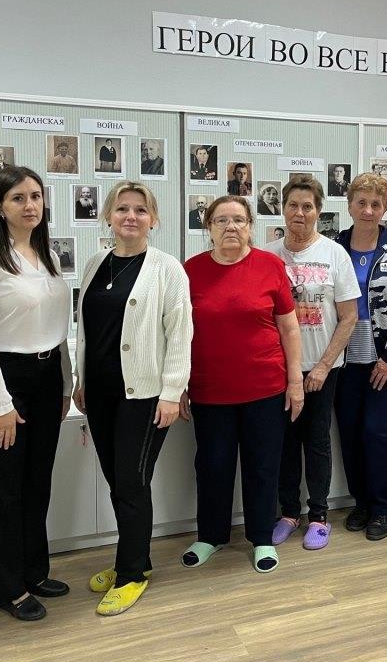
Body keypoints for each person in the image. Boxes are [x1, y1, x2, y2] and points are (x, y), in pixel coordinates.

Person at [74, 182, 192, 614]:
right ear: (108, 216)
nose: (130, 216)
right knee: (117, 481)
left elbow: (180, 334)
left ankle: (132, 574)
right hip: (100, 394)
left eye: (141, 210)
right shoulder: (95, 264)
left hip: (143, 396)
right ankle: (132, 556)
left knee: (131, 482)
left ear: (153, 219)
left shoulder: (166, 269)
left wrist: (172, 393)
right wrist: (80, 379)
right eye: (122, 208)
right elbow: (86, 330)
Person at [0, 166, 73, 622]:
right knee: (4, 486)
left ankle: (33, 571)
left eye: (36, 197)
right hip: (2, 379)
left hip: (45, 379)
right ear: (0, 207)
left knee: (37, 480)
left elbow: (57, 329)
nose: (30, 205)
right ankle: (6, 586)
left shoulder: (49, 257)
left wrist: (65, 384)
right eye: (18, 198)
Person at [182, 196, 304, 573]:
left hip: (265, 389)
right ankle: (211, 536)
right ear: (209, 228)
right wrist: (178, 385)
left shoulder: (270, 266)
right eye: (221, 220)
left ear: (250, 226)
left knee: (262, 466)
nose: (231, 227)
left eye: (238, 220)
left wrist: (295, 380)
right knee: (212, 466)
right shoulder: (191, 270)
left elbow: (289, 327)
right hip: (209, 391)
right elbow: (178, 334)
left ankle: (262, 538)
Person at [266, 175, 359, 550]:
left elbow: (349, 317)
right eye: (293, 205)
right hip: (278, 368)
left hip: (322, 368)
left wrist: (322, 366)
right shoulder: (268, 255)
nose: (299, 213)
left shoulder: (335, 254)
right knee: (284, 442)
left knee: (317, 441)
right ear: (283, 208)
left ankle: (318, 517)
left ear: (318, 211)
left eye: (307, 206)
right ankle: (289, 513)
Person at [335, 173, 387, 541]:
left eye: (376, 204)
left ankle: (383, 507)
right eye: (362, 202)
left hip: (384, 357)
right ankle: (362, 503)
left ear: (385, 208)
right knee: (350, 432)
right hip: (343, 355)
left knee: (376, 431)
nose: (368, 210)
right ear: (350, 204)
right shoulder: (335, 246)